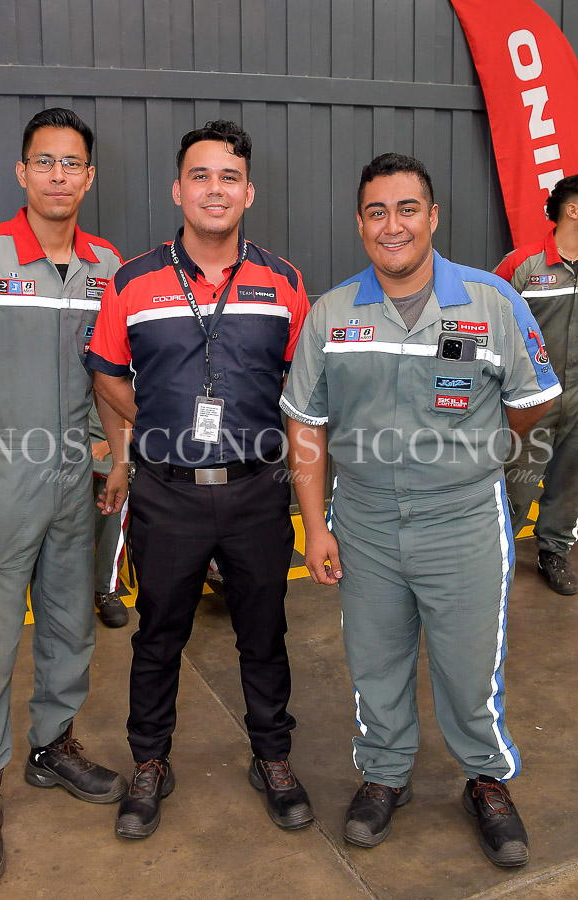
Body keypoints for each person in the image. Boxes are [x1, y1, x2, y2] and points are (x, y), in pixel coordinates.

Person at [281, 153, 561, 867]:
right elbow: (305, 423)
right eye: (376, 212)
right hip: (365, 520)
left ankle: (485, 778)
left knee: (469, 667)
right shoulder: (332, 313)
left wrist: (477, 452)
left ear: (432, 217)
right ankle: (384, 773)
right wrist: (315, 526)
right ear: (359, 223)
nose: (392, 225)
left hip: (463, 519)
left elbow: (532, 400)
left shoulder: (492, 301)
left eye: (407, 209)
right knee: (374, 660)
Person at [88, 120, 314, 839]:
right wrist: (158, 425)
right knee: (158, 636)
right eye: (200, 176)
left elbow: (304, 391)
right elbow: (106, 371)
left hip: (256, 490)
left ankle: (272, 757)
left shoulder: (284, 282)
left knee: (264, 633)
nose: (214, 189)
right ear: (177, 189)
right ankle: (149, 763)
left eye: (228, 177)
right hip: (166, 493)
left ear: (248, 192)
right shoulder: (132, 281)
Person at [0, 108, 127, 886]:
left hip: (76, 477)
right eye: (44, 161)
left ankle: (51, 746)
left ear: (89, 177)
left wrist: (115, 457)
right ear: (22, 172)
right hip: (0, 475)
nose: (57, 176)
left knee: (71, 628)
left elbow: (109, 377)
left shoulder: (107, 266)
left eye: (71, 163)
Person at [494, 174, 578, 595]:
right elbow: (488, 326)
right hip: (532, 401)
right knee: (517, 483)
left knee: (569, 481)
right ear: (573, 209)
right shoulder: (522, 265)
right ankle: (495, 555)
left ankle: (554, 551)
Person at [89, 403, 130, 627]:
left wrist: (106, 447)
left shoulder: (119, 381)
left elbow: (135, 422)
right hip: (61, 450)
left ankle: (106, 588)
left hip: (108, 449)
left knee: (112, 500)